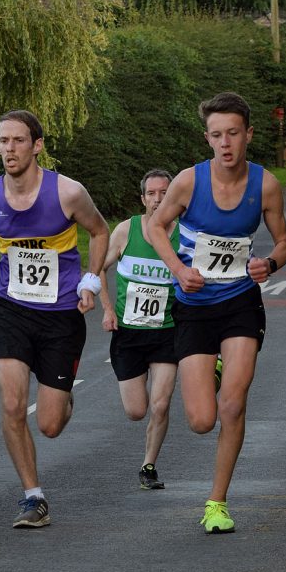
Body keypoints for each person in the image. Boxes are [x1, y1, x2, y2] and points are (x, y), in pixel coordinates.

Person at [148, 91, 286, 534]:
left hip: (240, 304)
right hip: (194, 307)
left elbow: (285, 242)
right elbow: (155, 225)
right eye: (216, 135)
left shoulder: (265, 185)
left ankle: (217, 502)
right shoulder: (189, 182)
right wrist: (177, 268)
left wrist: (268, 263)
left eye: (233, 133)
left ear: (248, 134)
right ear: (207, 138)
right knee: (200, 420)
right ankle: (211, 369)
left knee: (232, 406)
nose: (225, 143)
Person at [0, 109, 109, 528]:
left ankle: (63, 399)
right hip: (11, 308)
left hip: (61, 314)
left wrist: (91, 281)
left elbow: (100, 231)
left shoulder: (68, 193)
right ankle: (33, 496)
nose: (9, 149)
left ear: (37, 145)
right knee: (10, 403)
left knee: (50, 425)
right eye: (3, 141)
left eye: (18, 140)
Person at [99, 169, 182, 490]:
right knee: (137, 411)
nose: (159, 199)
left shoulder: (184, 234)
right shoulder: (126, 230)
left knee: (161, 403)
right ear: (143, 198)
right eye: (152, 194)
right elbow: (97, 269)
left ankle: (149, 465)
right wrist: (107, 309)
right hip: (129, 334)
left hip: (168, 332)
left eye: (165, 192)